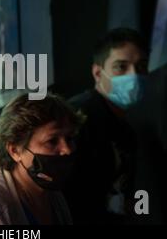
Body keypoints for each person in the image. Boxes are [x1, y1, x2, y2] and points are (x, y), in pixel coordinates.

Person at [63, 28, 149, 224]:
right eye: (121, 67)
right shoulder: (76, 119)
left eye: (141, 66)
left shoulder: (126, 132)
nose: (134, 76)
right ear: (97, 73)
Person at [0, 93, 85, 225]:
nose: (67, 149)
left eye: (69, 138)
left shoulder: (47, 186)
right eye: (52, 141)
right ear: (15, 150)